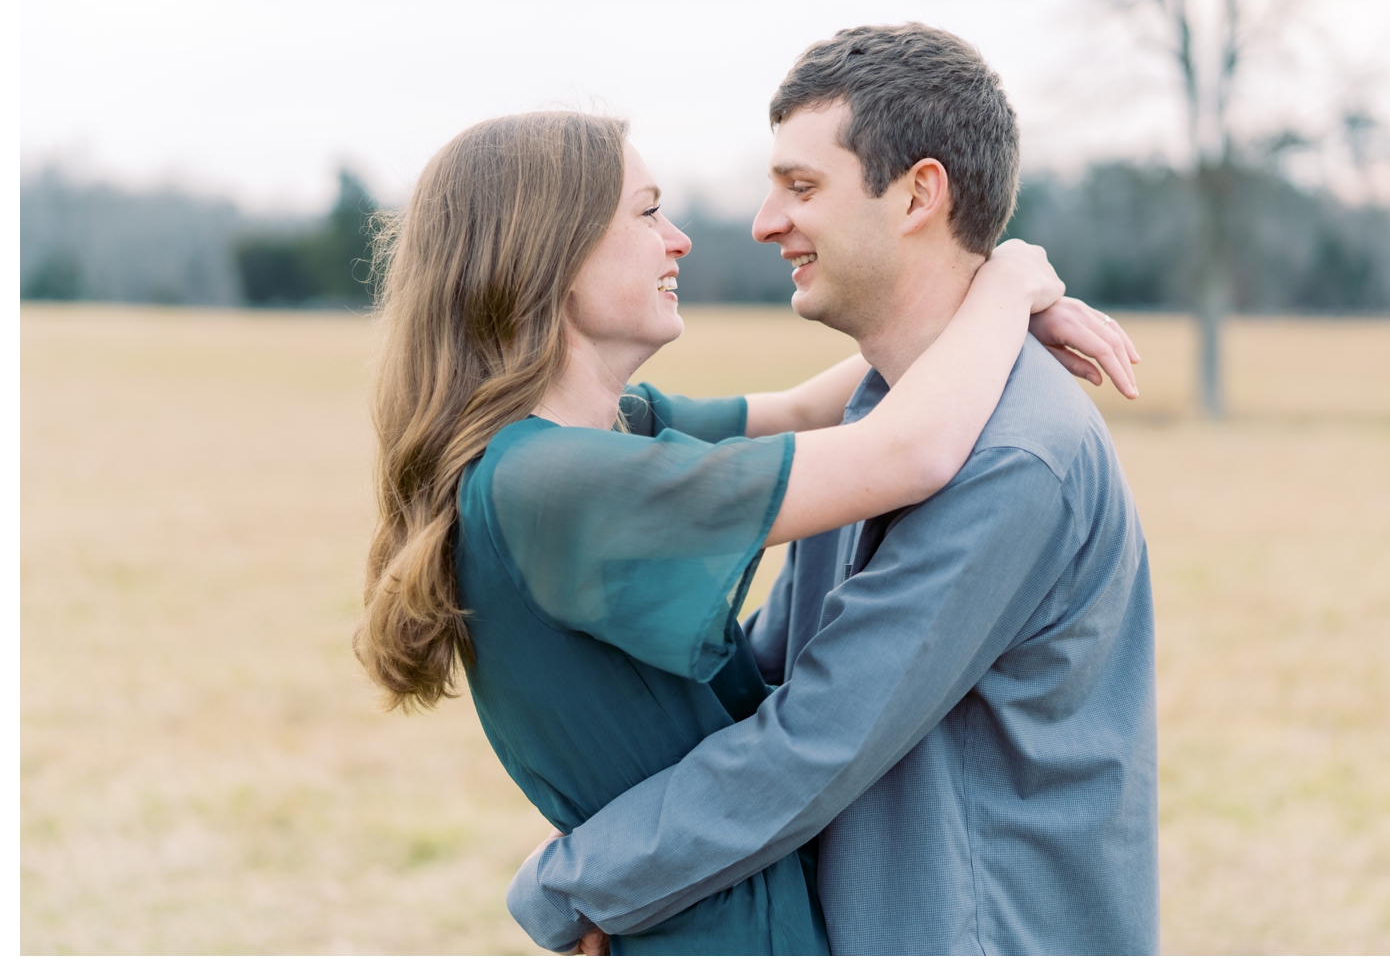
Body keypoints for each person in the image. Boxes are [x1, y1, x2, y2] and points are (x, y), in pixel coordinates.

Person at [355, 107, 1138, 955]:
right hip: (714, 928)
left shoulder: (618, 433)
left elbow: (810, 408)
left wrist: (975, 312)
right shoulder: (554, 483)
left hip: (702, 901)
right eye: (648, 212)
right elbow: (904, 450)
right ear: (548, 252)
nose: (680, 239)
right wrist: (1008, 285)